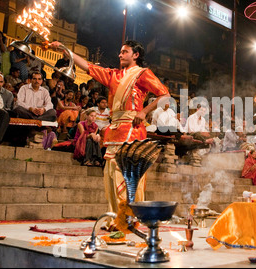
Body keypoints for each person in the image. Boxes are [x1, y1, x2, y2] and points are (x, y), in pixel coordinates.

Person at [49, 39, 170, 228]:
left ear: (135, 55)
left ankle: (129, 218)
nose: (120, 55)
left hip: (132, 128)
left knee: (126, 172)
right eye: (120, 52)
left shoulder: (142, 74)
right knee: (110, 174)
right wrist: (65, 49)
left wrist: (144, 112)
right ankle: (117, 216)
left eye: (125, 52)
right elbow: (88, 66)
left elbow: (165, 96)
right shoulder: (113, 75)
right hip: (114, 129)